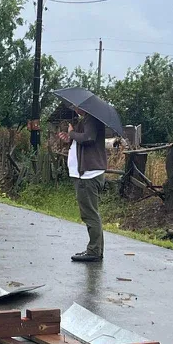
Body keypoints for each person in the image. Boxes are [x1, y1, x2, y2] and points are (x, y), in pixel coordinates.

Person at [58, 106, 107, 262]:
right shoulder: (85, 120)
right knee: (90, 212)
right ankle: (96, 249)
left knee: (90, 213)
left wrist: (72, 133)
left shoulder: (91, 119)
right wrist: (70, 138)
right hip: (85, 174)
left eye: (75, 105)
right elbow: (81, 139)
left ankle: (93, 251)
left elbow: (88, 138)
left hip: (88, 175)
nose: (73, 108)